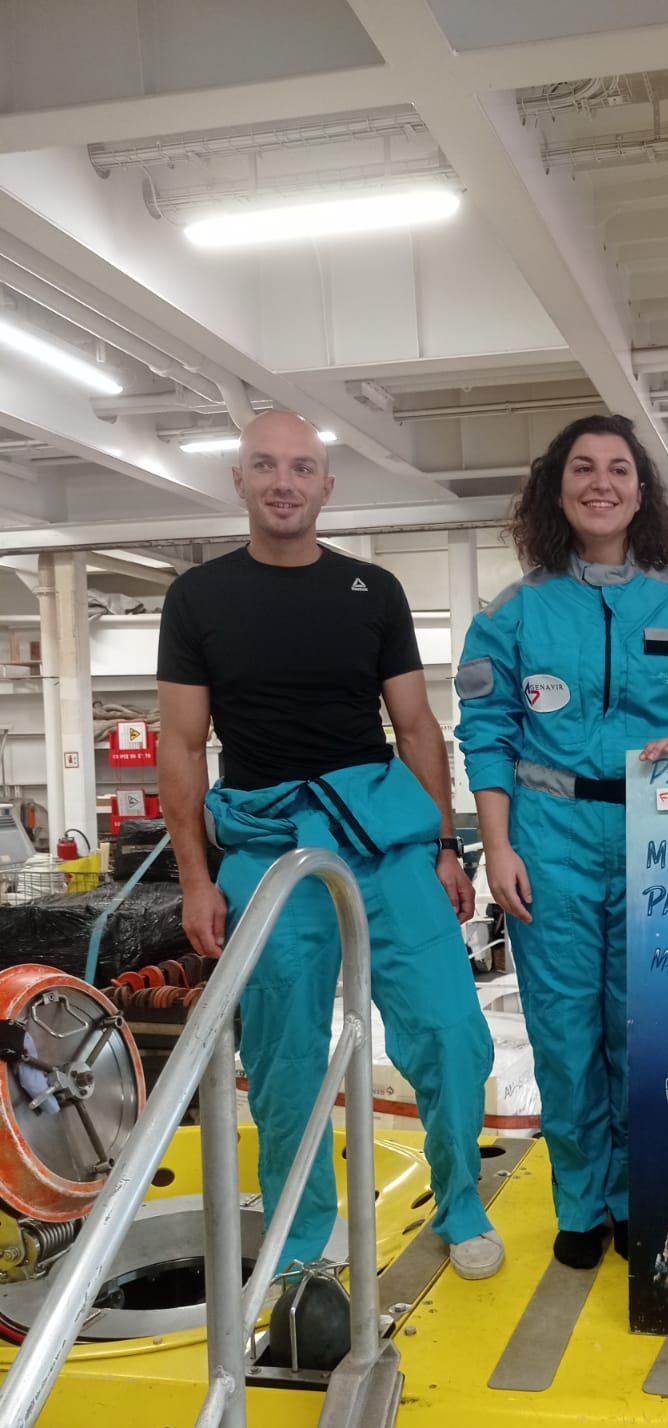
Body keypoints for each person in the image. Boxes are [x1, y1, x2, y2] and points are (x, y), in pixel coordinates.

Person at [157, 410, 502, 1281]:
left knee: (454, 1032)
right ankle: (301, 1240)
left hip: (383, 842)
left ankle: (461, 1206)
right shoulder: (198, 598)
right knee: (284, 1062)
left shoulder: (372, 591)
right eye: (266, 466)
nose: (285, 483)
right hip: (270, 851)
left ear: (327, 486)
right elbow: (182, 745)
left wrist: (446, 846)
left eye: (302, 468)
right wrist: (196, 880)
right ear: (239, 479)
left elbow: (416, 727)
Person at [455, 414, 668, 1269]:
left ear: (641, 489)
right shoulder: (511, 615)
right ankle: (582, 1201)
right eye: (583, 468)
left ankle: (638, 1196)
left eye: (619, 469)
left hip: (663, 839)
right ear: (556, 490)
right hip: (549, 839)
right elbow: (486, 733)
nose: (601, 483)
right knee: (563, 1030)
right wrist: (497, 848)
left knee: (644, 1027)